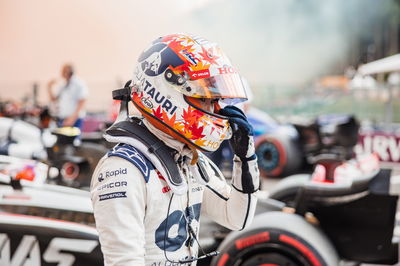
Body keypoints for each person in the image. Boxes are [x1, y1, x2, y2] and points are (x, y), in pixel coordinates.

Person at [90, 33, 260, 266]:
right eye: (207, 97)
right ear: (166, 92)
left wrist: (246, 156)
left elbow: (237, 218)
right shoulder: (122, 170)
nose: (218, 110)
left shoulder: (189, 158)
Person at [47, 63, 88, 129]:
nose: (62, 73)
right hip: (63, 118)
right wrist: (49, 87)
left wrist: (72, 118)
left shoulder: (79, 83)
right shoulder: (63, 84)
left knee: (73, 139)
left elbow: (82, 102)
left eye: (64, 71)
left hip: (74, 119)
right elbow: (54, 99)